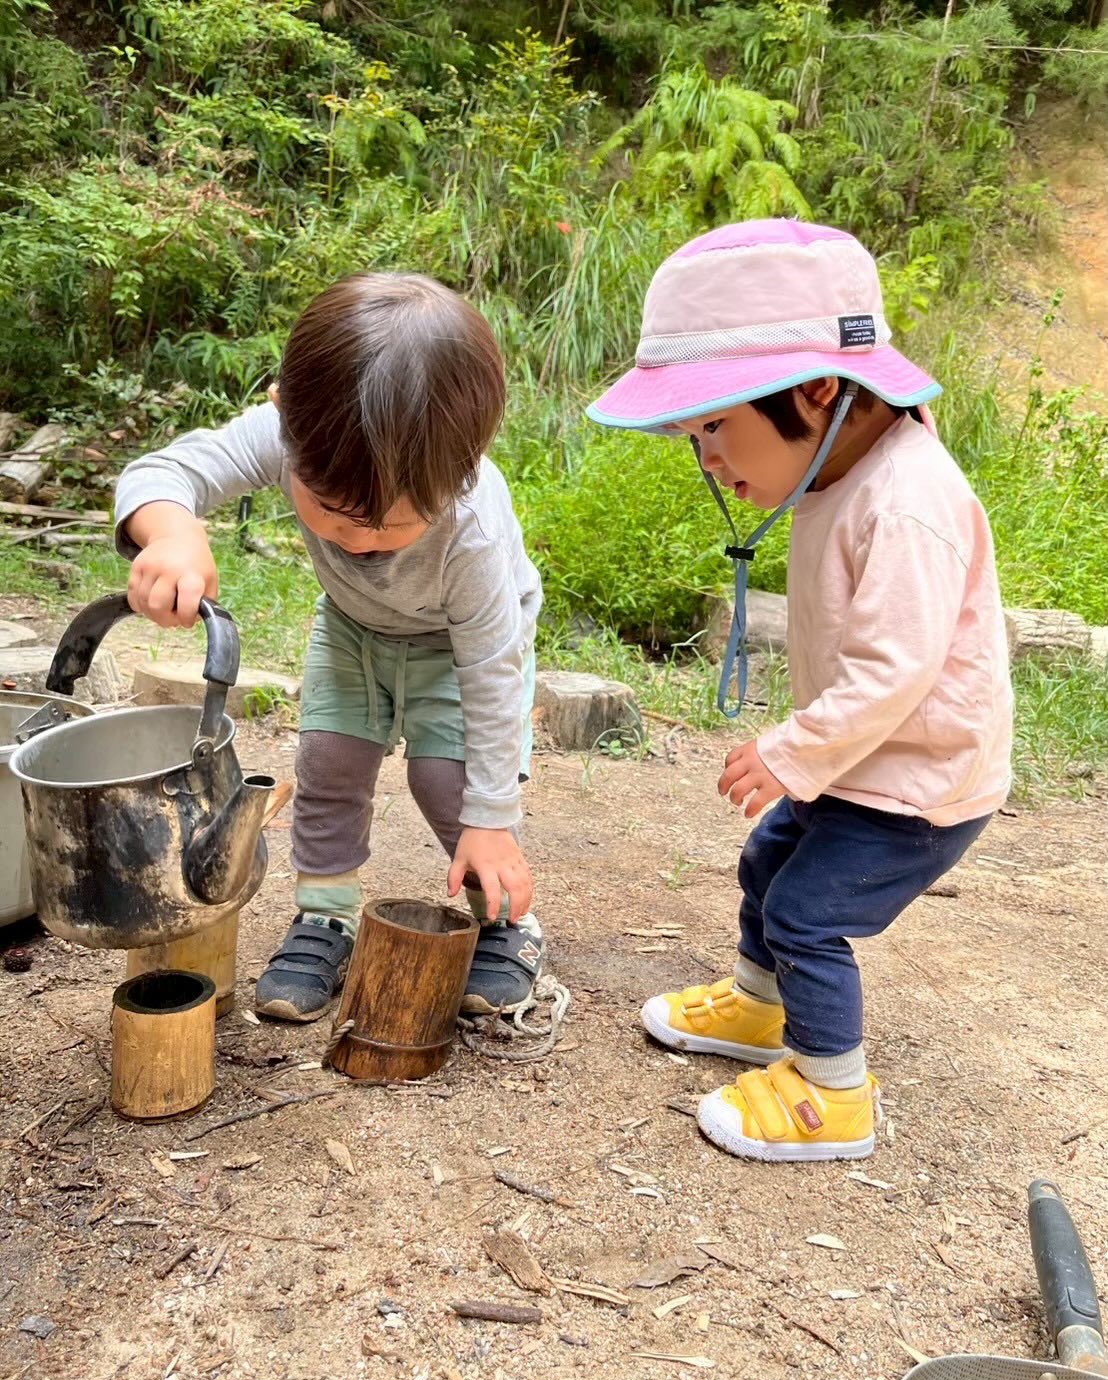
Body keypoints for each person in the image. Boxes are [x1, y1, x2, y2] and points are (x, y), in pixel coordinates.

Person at [587, 219, 1012, 1162]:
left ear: (819, 391)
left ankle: (834, 1091)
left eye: (714, 425)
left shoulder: (907, 503)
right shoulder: (842, 465)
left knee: (808, 914)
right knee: (766, 865)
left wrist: (791, 748)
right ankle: (755, 1003)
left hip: (916, 785)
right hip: (864, 761)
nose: (706, 458)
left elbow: (895, 670)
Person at [115, 272, 544, 1023]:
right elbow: (162, 472)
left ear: (465, 469)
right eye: (340, 515)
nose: (360, 540)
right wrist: (174, 531)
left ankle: (506, 918)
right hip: (353, 627)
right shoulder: (287, 435)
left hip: (458, 645)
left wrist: (493, 816)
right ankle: (325, 916)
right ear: (287, 420)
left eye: (393, 526)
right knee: (330, 763)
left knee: (450, 784)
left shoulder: (472, 527)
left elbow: (492, 670)